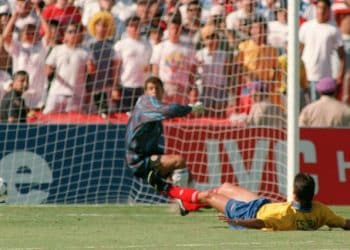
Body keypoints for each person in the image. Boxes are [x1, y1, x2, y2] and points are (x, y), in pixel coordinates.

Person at [125, 76, 204, 213]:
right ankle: (181, 204)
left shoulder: (153, 109)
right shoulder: (145, 103)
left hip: (148, 155)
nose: (154, 91)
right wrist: (190, 109)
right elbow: (169, 111)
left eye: (157, 88)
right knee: (178, 161)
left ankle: (189, 202)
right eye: (150, 88)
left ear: (162, 91)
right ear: (145, 92)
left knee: (187, 174)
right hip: (138, 160)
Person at [172, 173, 350, 230]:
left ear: (294, 193)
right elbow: (344, 224)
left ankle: (170, 190)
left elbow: (259, 223)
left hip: (247, 213)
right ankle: (186, 206)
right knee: (225, 187)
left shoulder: (284, 214)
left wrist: (237, 221)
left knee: (209, 196)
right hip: (264, 204)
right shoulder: (322, 211)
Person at [299, 0, 345, 102]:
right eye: (319, 8)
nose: (321, 11)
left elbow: (342, 55)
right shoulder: (306, 27)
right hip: (306, 76)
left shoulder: (334, 29)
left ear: (329, 10)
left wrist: (339, 75)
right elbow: (299, 50)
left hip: (324, 77)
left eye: (324, 8)